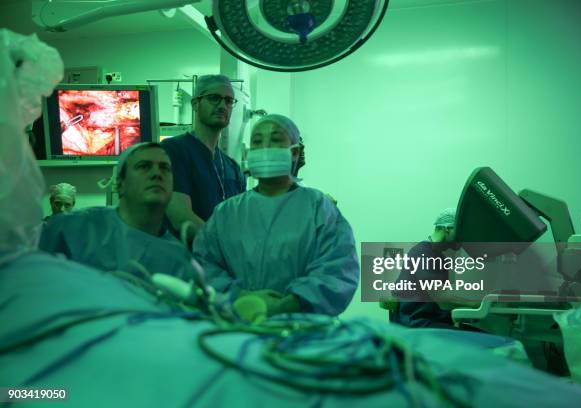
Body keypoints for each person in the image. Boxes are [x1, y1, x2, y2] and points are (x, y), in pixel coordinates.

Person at [193, 114, 358, 316]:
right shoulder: (227, 213)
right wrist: (241, 297)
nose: (265, 147)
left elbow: (337, 269)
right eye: (257, 142)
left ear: (295, 152)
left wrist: (289, 304)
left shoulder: (318, 209)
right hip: (239, 322)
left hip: (301, 327)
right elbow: (204, 265)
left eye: (275, 140)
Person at [39, 143, 196, 280]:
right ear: (120, 184)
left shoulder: (179, 260)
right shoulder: (73, 229)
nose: (157, 173)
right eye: (144, 166)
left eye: (165, 168)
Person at [161, 74, 246, 242]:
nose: (222, 105)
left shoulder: (233, 168)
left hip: (222, 263)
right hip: (182, 260)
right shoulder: (174, 151)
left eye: (229, 101)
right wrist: (224, 249)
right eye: (214, 98)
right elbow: (181, 218)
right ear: (195, 104)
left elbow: (238, 221)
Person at [390, 208, 457, 328]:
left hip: (431, 319)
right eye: (459, 232)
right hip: (417, 323)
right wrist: (476, 304)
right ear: (447, 229)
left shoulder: (440, 258)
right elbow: (443, 297)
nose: (461, 239)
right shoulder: (422, 253)